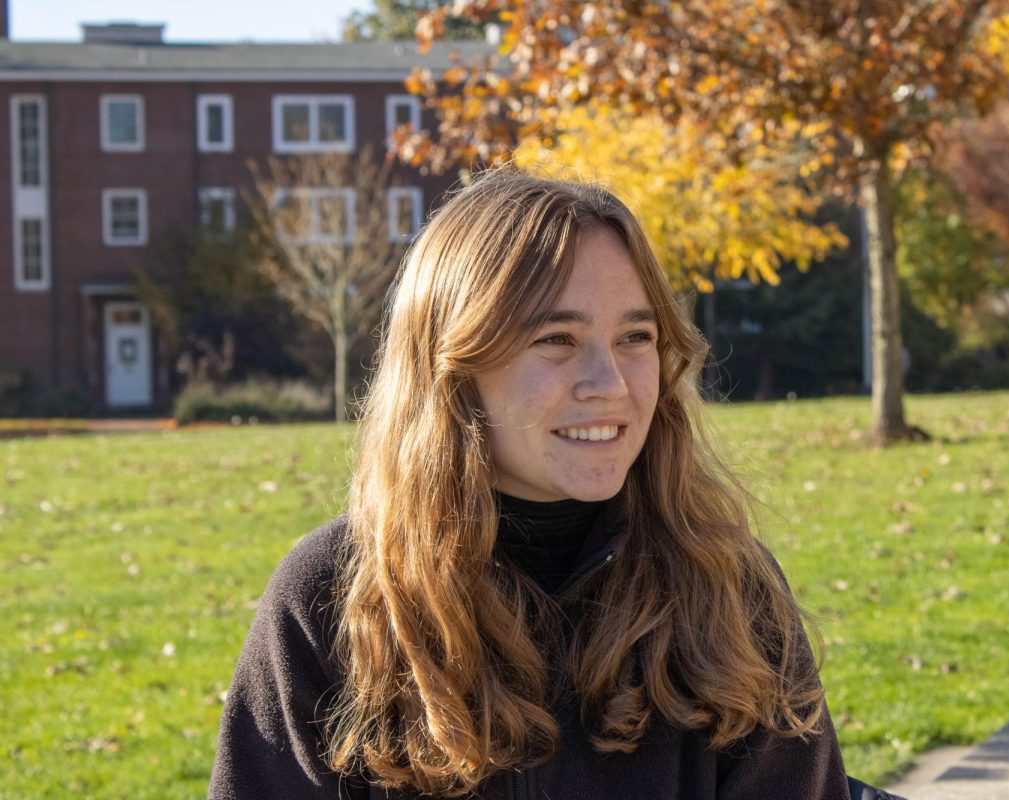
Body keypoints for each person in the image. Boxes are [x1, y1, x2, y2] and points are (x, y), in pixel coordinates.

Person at [209, 170, 853, 799]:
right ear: (453, 366)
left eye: (636, 336)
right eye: (556, 339)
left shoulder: (728, 587)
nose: (612, 383)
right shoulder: (334, 595)